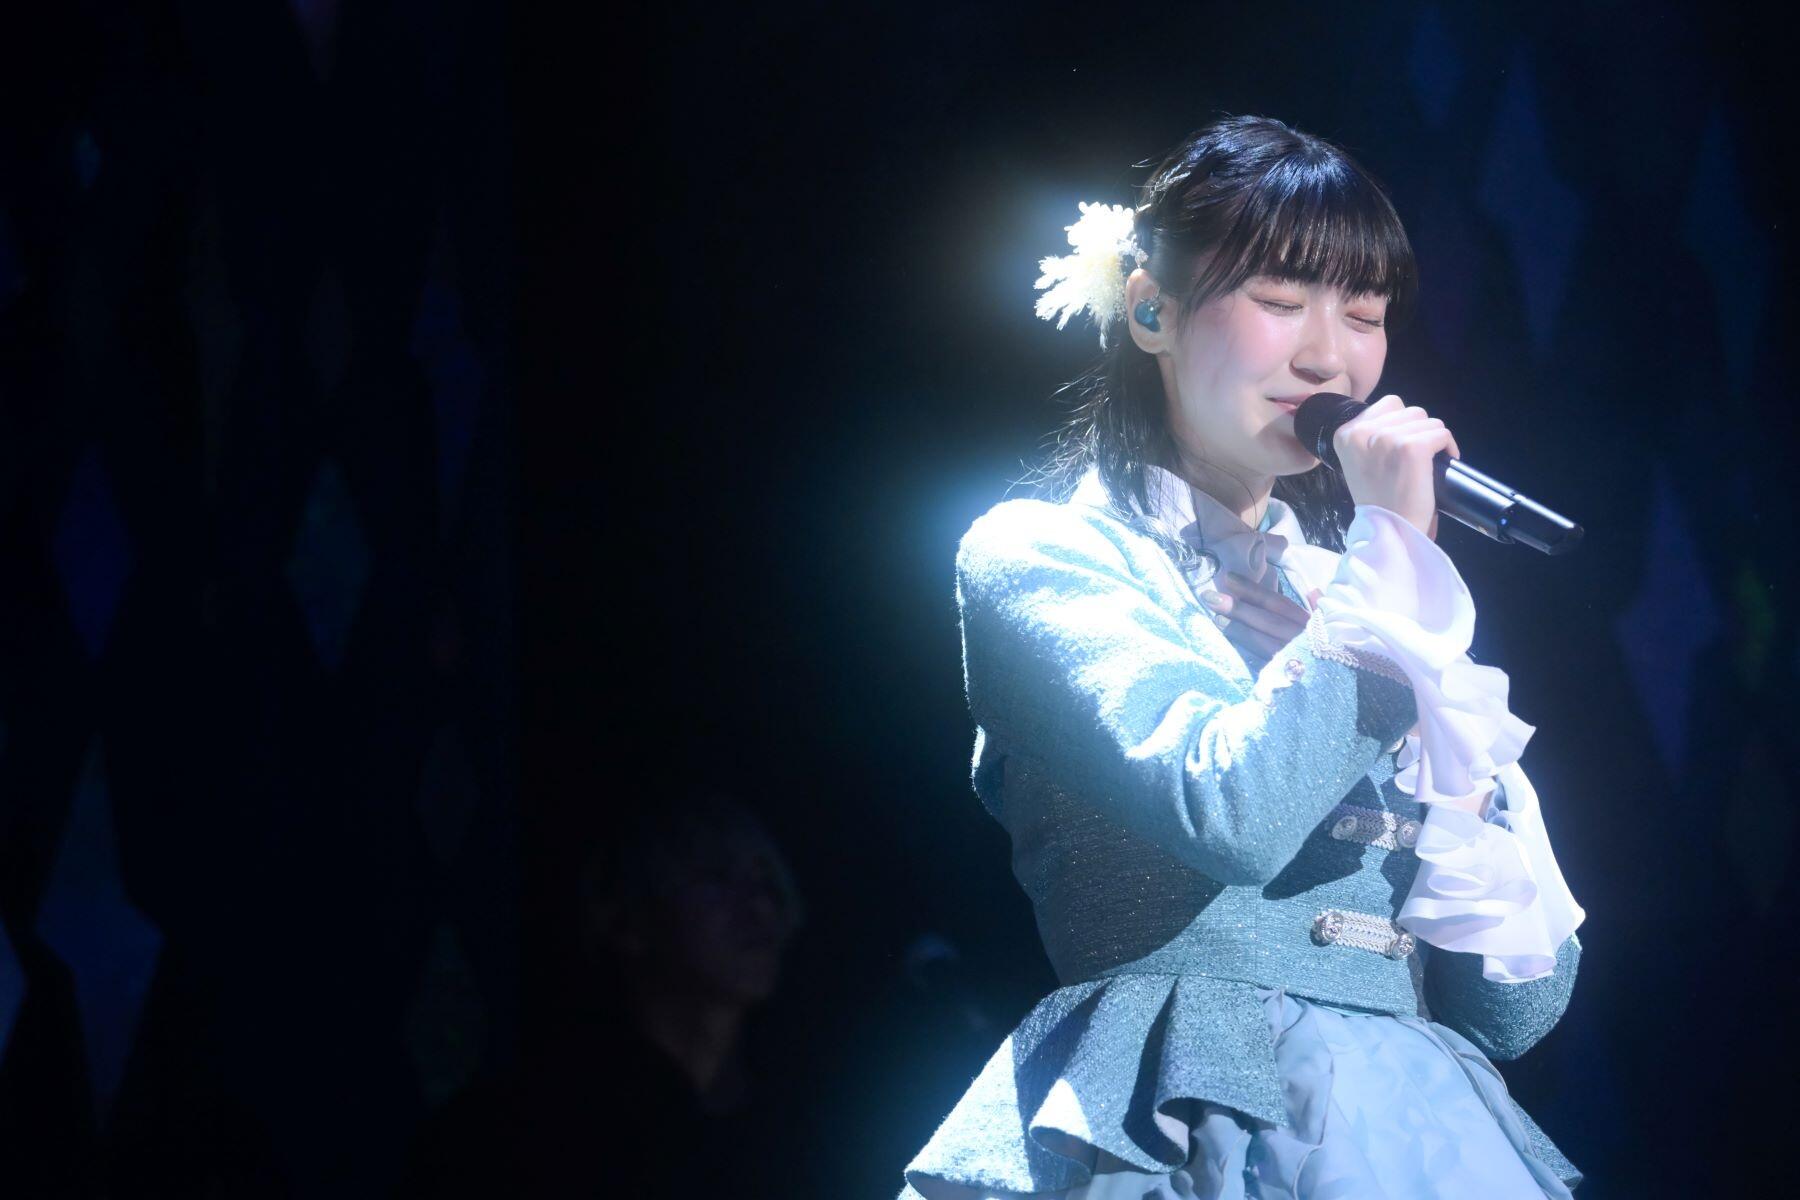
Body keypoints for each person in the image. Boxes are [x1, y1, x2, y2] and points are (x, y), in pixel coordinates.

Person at [898, 115, 1587, 1199]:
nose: (1329, 357)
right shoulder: (1047, 555)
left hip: (1407, 1126)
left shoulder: (1357, 594)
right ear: (1151, 310)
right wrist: (1388, 588)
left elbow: (1516, 1010)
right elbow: (1230, 813)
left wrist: (1459, 772)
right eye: (1279, 301)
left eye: (1364, 316)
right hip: (1179, 1112)